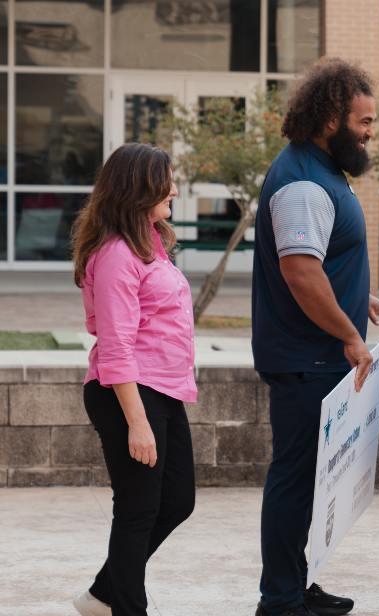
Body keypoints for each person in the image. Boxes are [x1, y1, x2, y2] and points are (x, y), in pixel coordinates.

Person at [252, 57, 379, 616]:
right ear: (331, 117)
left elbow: (321, 263)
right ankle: (281, 599)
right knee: (294, 482)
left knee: (312, 484)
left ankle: (299, 581)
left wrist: (360, 299)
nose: (369, 132)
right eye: (364, 121)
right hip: (307, 359)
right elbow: (300, 272)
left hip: (312, 355)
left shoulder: (318, 171)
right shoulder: (303, 183)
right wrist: (349, 334)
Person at [71, 143, 196, 616]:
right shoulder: (116, 256)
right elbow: (118, 346)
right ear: (140, 187)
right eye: (167, 181)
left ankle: (105, 593)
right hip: (127, 392)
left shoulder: (150, 243)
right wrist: (137, 423)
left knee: (177, 500)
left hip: (163, 389)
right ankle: (124, 606)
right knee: (138, 509)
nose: (176, 190)